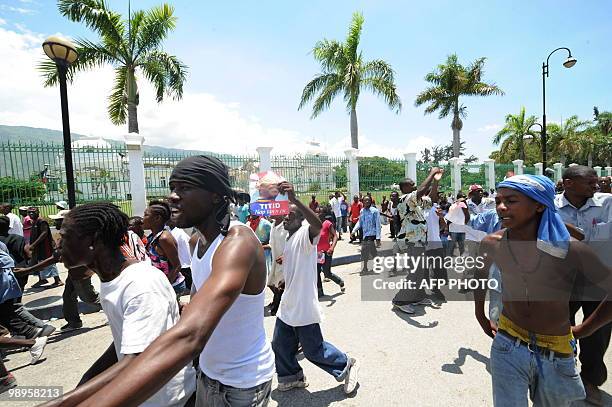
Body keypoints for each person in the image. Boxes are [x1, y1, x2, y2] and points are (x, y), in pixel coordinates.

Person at [68, 155, 275, 407]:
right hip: (208, 372)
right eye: (173, 188)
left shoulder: (237, 242)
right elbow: (200, 307)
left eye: (185, 188)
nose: (173, 196)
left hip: (241, 382)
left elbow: (190, 335)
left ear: (215, 194)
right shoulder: (196, 242)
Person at [473, 174, 611, 407]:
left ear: (538, 205)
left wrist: (585, 329)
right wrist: (480, 315)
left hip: (555, 353)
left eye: (511, 200)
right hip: (507, 344)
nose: (501, 207)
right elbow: (478, 275)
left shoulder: (570, 251)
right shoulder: (492, 243)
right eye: (498, 200)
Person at [47, 202, 196, 406]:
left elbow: (138, 362)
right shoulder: (112, 281)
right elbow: (128, 342)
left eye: (64, 237)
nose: (58, 245)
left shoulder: (140, 285)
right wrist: (87, 380)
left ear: (93, 240)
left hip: (167, 400)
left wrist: (63, 402)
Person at [271, 181, 359, 394]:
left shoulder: (304, 234)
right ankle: (292, 376)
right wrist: (285, 280)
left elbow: (317, 226)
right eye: (287, 213)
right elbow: (297, 265)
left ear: (301, 219)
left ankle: (346, 364)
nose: (287, 216)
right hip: (288, 302)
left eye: (292, 214)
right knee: (280, 344)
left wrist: (294, 200)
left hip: (303, 305)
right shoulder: (290, 238)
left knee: (313, 350)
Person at [554, 165, 611, 406]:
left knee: (596, 333)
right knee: (557, 329)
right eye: (590, 182)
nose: (596, 186)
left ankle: (590, 381)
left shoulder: (608, 203)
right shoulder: (549, 207)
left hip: (599, 281)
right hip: (561, 282)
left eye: (596, 181)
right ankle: (563, 375)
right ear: (568, 184)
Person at [390, 168, 443, 314]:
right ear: (404, 188)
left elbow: (431, 198)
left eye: (414, 184)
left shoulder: (416, 203)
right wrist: (431, 174)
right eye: (411, 184)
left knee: (420, 271)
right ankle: (399, 300)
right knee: (415, 272)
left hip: (420, 241)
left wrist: (436, 182)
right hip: (412, 242)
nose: (414, 186)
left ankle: (417, 296)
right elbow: (421, 190)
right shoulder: (404, 199)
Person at [143, 200, 186, 296]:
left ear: (157, 218)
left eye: (146, 215)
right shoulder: (152, 237)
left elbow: (177, 266)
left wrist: (165, 287)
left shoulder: (164, 238)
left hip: (171, 286)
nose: (143, 219)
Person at [28, 207, 63, 288]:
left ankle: (58, 280)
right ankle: (42, 279)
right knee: (38, 261)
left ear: (38, 212)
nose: (31, 214)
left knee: (49, 261)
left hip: (45, 246)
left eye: (33, 212)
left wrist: (33, 244)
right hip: (38, 247)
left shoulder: (41, 221)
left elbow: (44, 233)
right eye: (29, 212)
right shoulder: (34, 221)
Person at [316, 207, 345, 297]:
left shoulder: (328, 224)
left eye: (319, 212)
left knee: (327, 273)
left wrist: (332, 247)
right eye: (316, 212)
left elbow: (335, 236)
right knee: (316, 273)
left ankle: (340, 281)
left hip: (327, 252)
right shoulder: (313, 224)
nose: (317, 214)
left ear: (324, 214)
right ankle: (320, 291)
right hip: (317, 253)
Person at [351, 196, 381, 274]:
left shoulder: (375, 211)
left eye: (368, 200)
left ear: (371, 201)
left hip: (372, 234)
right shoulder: (362, 211)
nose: (367, 202)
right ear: (363, 202)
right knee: (372, 251)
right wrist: (353, 231)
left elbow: (378, 224)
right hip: (365, 234)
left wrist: (378, 237)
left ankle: (365, 267)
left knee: (364, 250)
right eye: (365, 200)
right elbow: (360, 222)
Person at [247, 214, 274, 301]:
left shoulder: (266, 224)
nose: (253, 212)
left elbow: (272, 241)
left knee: (267, 280)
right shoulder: (247, 224)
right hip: (251, 256)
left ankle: (277, 298)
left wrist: (262, 246)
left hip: (264, 255)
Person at [268, 215, 287, 316]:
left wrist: (285, 256)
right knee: (271, 283)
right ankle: (277, 304)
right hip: (275, 260)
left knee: (281, 284)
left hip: (284, 261)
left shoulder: (286, 227)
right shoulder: (273, 225)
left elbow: (291, 243)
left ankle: (277, 308)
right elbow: (271, 243)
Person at [168, 220, 193, 291]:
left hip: (185, 265)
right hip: (182, 264)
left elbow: (188, 249)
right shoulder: (172, 232)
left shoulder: (179, 233)